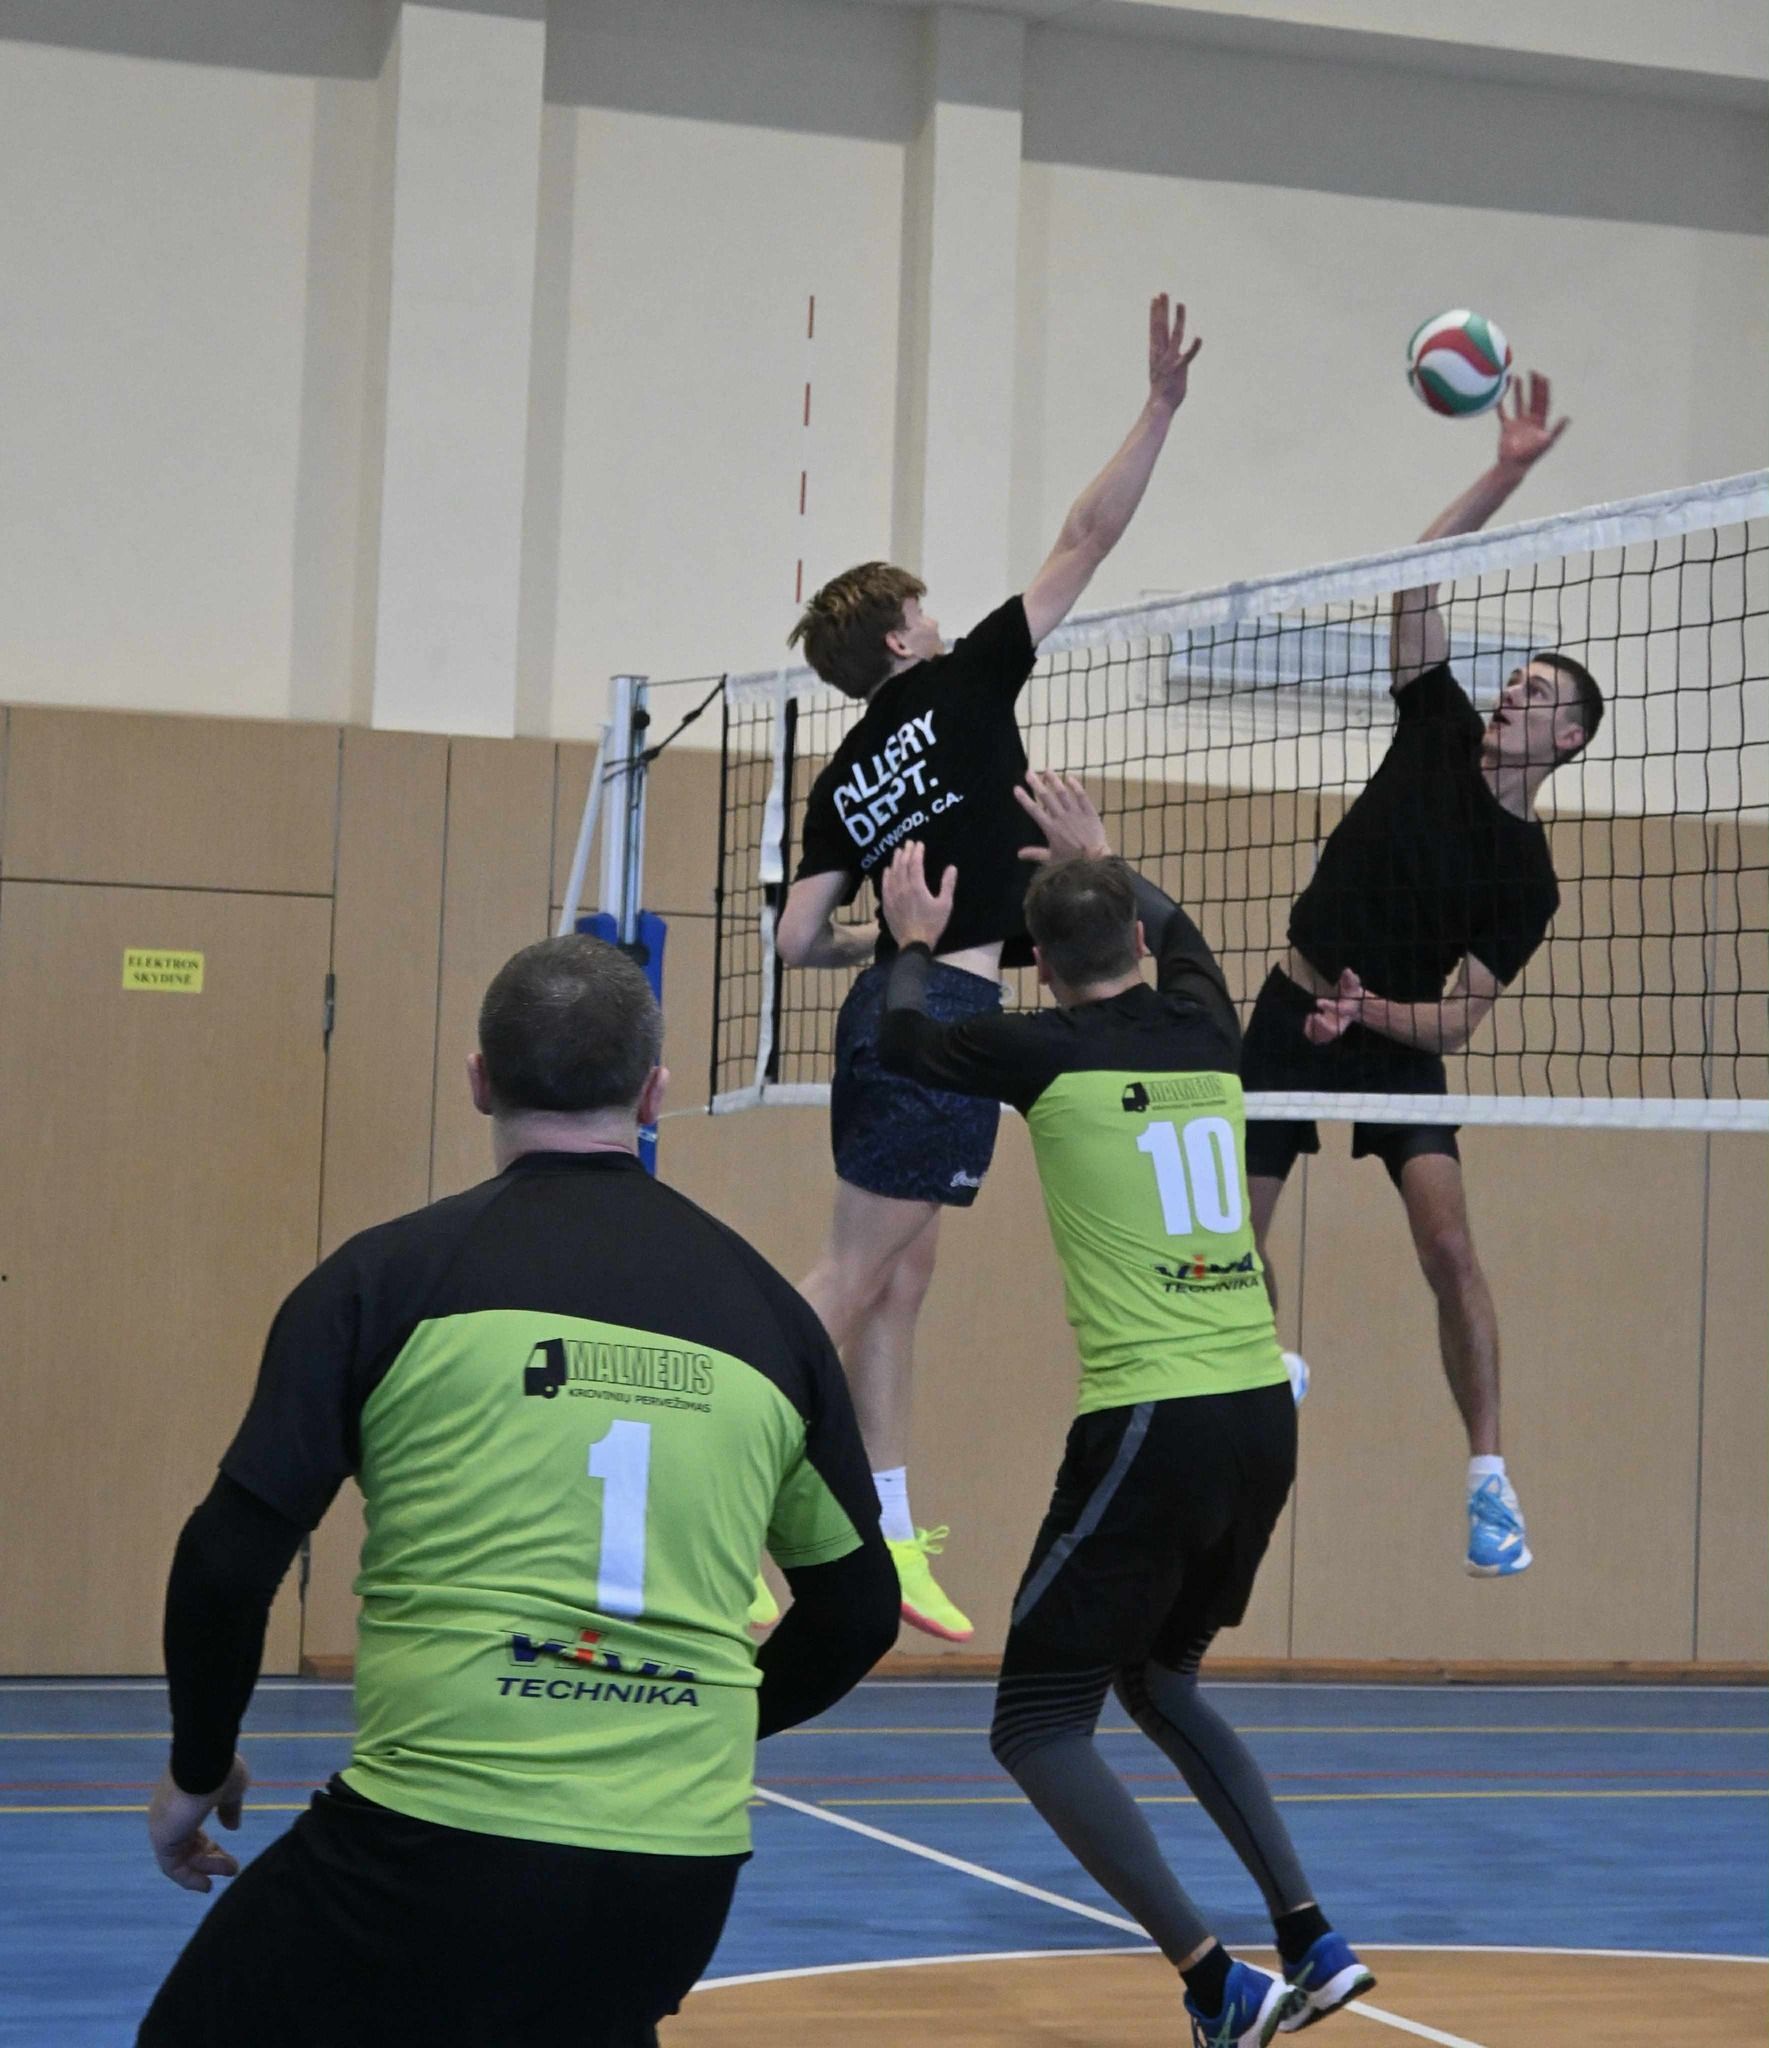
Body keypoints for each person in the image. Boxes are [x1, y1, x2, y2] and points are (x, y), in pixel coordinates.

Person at [139, 934, 898, 2048]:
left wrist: (198, 1766)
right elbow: (860, 1610)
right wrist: (706, 1723)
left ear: (479, 1079)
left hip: (432, 1847)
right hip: (676, 1874)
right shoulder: (772, 1320)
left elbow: (225, 1562)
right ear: (653, 1094)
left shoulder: (383, 1281)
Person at [874, 774, 1373, 2047]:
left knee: (1035, 1722)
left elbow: (903, 1041)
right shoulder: (1206, 1021)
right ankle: (1312, 1938)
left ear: (1041, 970)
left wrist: (913, 941)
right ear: (1138, 948)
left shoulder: (1035, 1050)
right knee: (1158, 1677)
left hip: (1154, 1416)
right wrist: (1103, 853)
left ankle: (1217, 1981)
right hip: (1258, 1409)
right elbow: (1186, 930)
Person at [774, 293, 1204, 1640]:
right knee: (847, 1277)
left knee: (901, 1279)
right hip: (949, 1008)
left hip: (888, 1004)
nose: (942, 618)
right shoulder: (963, 686)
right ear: (903, 638)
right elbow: (1086, 535)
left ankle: (891, 1531)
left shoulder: (844, 772)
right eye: (925, 608)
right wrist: (1158, 408)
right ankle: (711, 1506)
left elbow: (791, 940)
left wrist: (879, 941)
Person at [1240, 373, 1603, 1577]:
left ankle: (1487, 1477)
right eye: (1515, 680)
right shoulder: (1434, 722)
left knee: (1448, 1249)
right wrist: (1504, 470)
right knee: (1227, 1233)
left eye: (1536, 694)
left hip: (1390, 1037)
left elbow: (1453, 1020)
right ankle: (1262, 1371)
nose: (1512, 693)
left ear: (1566, 739)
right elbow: (1413, 576)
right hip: (1292, 1003)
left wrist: (1369, 1013)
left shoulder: (1527, 879)